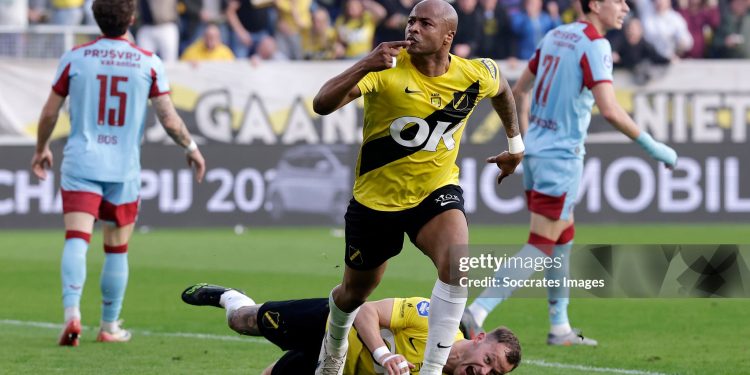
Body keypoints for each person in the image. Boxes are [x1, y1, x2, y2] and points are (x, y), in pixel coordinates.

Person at [311, 0, 525, 373]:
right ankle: (334, 343)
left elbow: (503, 88)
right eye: (411, 21)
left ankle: (431, 370)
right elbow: (322, 104)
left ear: (448, 36)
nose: (412, 29)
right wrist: (364, 62)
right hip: (377, 203)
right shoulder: (386, 69)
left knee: (457, 263)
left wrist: (516, 145)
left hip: (434, 191)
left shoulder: (475, 73)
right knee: (353, 294)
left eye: (424, 24)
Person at [461, 0, 678, 346]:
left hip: (537, 154)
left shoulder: (554, 35)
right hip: (561, 159)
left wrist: (527, 139)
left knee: (563, 237)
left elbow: (519, 91)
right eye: (618, 1)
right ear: (594, 5)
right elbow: (609, 109)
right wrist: (658, 148)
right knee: (541, 243)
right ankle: (479, 310)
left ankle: (559, 326)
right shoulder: (596, 44)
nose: (625, 8)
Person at [31, 0, 206, 346]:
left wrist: (41, 148)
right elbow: (168, 118)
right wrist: (191, 148)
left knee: (76, 240)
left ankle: (72, 316)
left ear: (96, 18)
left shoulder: (75, 58)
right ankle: (109, 326)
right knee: (117, 248)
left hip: (82, 162)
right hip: (123, 169)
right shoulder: (148, 61)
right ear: (132, 18)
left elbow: (50, 112)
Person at [181, 283, 522, 375]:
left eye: (495, 374)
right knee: (243, 322)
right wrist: (384, 354)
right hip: (331, 328)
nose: (485, 372)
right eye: (490, 360)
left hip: (339, 369)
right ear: (479, 339)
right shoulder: (431, 318)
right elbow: (366, 310)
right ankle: (229, 296)